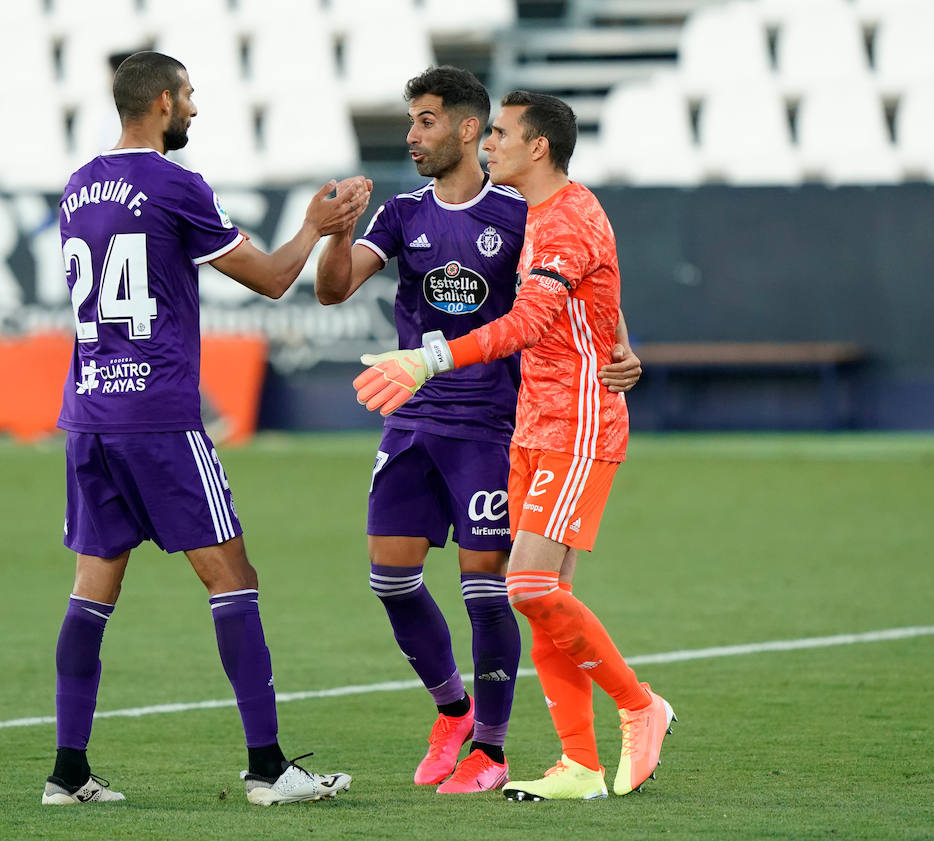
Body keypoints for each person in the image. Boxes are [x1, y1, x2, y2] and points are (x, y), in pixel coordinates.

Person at [44, 50, 370, 807]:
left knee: (93, 586)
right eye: (187, 94)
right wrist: (316, 226)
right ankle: (267, 768)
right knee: (234, 579)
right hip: (158, 415)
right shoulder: (173, 183)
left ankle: (67, 772)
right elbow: (271, 277)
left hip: (89, 412)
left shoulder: (77, 185)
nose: (194, 106)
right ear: (160, 101)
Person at [317, 67, 641, 794]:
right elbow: (335, 288)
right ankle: (453, 711)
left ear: (468, 129)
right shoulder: (400, 213)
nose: (411, 136)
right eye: (411, 122)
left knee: (491, 590)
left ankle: (492, 751)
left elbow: (582, 286)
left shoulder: (523, 210)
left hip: (494, 424)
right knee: (390, 578)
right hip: (413, 418)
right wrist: (334, 236)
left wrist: (620, 347)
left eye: (426, 121)